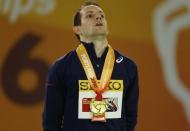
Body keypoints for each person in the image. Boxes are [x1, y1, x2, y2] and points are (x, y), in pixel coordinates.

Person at [42, 1, 139, 131]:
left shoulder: (128, 67)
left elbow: (130, 118)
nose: (98, 17)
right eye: (89, 16)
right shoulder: (61, 67)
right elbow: (51, 121)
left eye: (101, 15)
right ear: (77, 29)